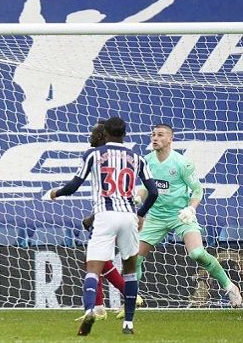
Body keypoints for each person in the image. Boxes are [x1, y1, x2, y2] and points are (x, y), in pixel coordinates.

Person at [14, 0, 196, 129]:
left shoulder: (97, 35)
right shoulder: (50, 33)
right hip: (38, 68)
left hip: (72, 73)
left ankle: (39, 112)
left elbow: (138, 18)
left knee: (61, 98)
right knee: (34, 95)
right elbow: (28, 18)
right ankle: (35, 124)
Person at [50, 117, 158, 335]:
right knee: (129, 270)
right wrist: (141, 214)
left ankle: (91, 309)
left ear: (105, 133)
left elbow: (73, 186)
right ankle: (128, 323)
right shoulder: (137, 158)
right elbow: (154, 191)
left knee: (93, 268)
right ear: (124, 134)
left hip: (105, 214)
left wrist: (56, 193)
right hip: (128, 216)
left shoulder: (93, 155)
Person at [133, 124, 242, 308]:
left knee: (197, 253)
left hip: (181, 215)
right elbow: (146, 186)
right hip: (156, 217)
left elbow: (197, 190)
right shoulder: (147, 160)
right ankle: (132, 298)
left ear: (170, 139)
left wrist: (190, 209)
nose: (155, 138)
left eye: (160, 135)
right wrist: (138, 198)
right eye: (153, 135)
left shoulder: (182, 163)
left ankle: (230, 288)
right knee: (135, 258)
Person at [75, 120, 142, 321]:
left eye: (94, 133)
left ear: (103, 136)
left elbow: (117, 195)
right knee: (97, 261)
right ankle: (99, 306)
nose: (91, 137)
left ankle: (114, 299)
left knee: (95, 261)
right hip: (114, 215)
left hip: (116, 217)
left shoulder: (101, 157)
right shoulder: (104, 157)